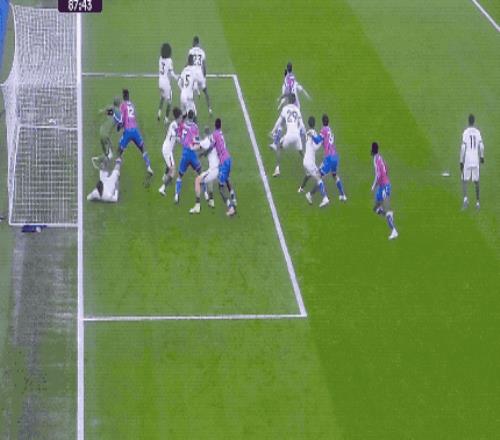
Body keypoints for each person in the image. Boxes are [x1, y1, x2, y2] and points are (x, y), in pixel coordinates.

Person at [306, 113, 346, 202]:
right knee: (334, 175)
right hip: (335, 157)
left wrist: (311, 135)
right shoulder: (330, 130)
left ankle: (323, 198)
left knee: (318, 176)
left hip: (329, 158)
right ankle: (342, 195)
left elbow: (317, 141)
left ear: (322, 122)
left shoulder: (324, 130)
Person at [117, 89, 153, 176]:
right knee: (142, 148)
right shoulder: (132, 105)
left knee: (119, 150)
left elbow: (122, 120)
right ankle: (149, 167)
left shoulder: (122, 105)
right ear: (128, 96)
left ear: (123, 96)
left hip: (128, 131)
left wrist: (119, 127)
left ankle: (117, 171)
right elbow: (132, 117)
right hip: (135, 130)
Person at [269, 93, 305, 177]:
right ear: (295, 101)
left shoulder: (285, 109)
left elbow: (279, 122)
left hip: (289, 135)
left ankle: (277, 169)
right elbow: (302, 125)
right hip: (297, 136)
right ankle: (309, 166)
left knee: (279, 148)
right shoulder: (297, 110)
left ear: (288, 100)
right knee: (301, 151)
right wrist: (304, 134)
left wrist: (273, 131)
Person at [299, 116, 329, 207]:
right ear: (314, 124)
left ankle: (302, 189)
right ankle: (323, 197)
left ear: (308, 124)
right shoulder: (314, 133)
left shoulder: (307, 133)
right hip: (310, 163)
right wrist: (322, 142)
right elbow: (315, 147)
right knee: (320, 179)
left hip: (305, 161)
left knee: (309, 175)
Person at [371, 142, 398, 240]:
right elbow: (386, 168)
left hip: (384, 187)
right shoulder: (380, 157)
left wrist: (373, 186)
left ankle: (394, 231)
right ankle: (389, 215)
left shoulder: (375, 160)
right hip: (384, 186)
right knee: (376, 208)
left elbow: (378, 175)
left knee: (385, 209)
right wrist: (385, 179)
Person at [189, 126, 219, 214]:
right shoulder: (214, 138)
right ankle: (211, 201)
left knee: (197, 180)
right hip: (218, 167)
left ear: (204, 134)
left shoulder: (206, 141)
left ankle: (197, 206)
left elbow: (195, 147)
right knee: (209, 180)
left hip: (214, 169)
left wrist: (190, 144)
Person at [175, 110, 201, 203]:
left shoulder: (182, 124)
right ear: (193, 116)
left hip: (185, 153)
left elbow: (178, 137)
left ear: (187, 116)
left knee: (179, 176)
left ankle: (176, 195)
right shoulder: (195, 127)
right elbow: (197, 142)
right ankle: (206, 194)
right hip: (192, 154)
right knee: (200, 173)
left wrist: (183, 141)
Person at [460, 114, 484, 210]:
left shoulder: (465, 132)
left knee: (464, 180)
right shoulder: (477, 132)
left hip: (467, 159)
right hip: (475, 159)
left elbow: (463, 147)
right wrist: (482, 157)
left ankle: (465, 200)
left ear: (468, 121)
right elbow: (481, 146)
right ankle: (477, 203)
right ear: (474, 121)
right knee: (476, 181)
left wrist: (461, 161)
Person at [92, 96, 121, 169]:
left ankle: (100, 161)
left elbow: (108, 110)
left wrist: (101, 111)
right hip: (105, 135)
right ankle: (98, 161)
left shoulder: (112, 109)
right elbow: (120, 123)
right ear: (119, 103)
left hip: (101, 131)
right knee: (110, 155)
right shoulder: (118, 113)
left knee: (108, 151)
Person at [159, 107, 182, 196]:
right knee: (173, 171)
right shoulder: (174, 125)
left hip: (167, 149)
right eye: (181, 117)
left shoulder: (174, 124)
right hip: (167, 150)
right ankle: (162, 188)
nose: (181, 119)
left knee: (169, 165)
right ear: (178, 117)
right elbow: (176, 137)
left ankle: (164, 177)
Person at [188, 35, 212, 114]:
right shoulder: (202, 52)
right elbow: (204, 66)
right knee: (205, 91)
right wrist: (204, 77)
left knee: (190, 92)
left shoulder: (191, 51)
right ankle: (210, 109)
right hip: (200, 74)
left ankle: (192, 110)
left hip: (193, 74)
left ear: (195, 42)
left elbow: (189, 63)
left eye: (192, 42)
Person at [157, 42, 178, 123]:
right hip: (166, 83)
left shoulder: (160, 59)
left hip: (160, 82)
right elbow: (171, 73)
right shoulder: (169, 61)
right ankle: (166, 119)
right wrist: (177, 78)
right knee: (169, 101)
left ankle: (159, 113)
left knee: (162, 97)